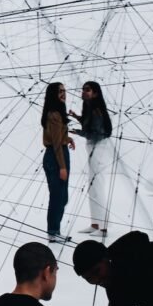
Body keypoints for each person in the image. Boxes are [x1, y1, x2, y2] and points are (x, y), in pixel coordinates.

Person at [68, 81, 112, 235]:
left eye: (88, 90)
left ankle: (103, 227)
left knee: (97, 186)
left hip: (98, 147)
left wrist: (76, 132)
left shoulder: (97, 110)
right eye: (83, 89)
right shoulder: (89, 107)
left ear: (95, 93)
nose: (84, 92)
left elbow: (96, 133)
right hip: (92, 146)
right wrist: (76, 117)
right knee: (92, 187)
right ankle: (95, 224)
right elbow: (89, 125)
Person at [41, 83, 75, 243]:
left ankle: (55, 231)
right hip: (56, 157)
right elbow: (55, 143)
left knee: (62, 197)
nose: (63, 94)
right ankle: (53, 232)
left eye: (64, 91)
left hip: (59, 153)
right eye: (60, 91)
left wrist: (69, 138)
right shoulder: (54, 114)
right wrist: (62, 166)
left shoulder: (58, 113)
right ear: (53, 94)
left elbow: (58, 137)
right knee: (57, 196)